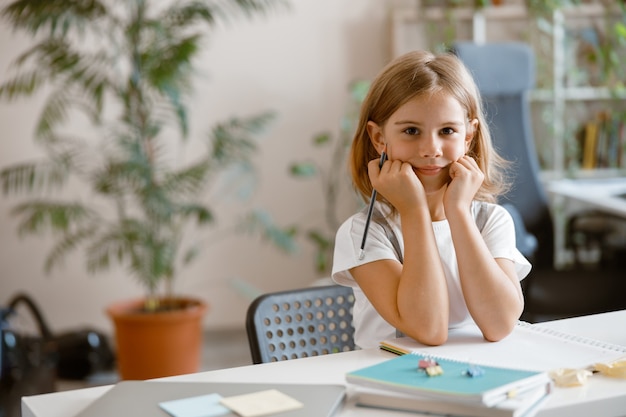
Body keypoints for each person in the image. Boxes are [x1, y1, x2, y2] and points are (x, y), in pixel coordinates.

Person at [331, 50, 531, 349]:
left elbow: (500, 324)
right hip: (391, 381)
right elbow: (428, 330)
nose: (430, 149)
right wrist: (413, 211)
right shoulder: (363, 232)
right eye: (411, 131)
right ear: (379, 138)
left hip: (473, 375)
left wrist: (459, 212)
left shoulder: (490, 220)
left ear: (469, 136)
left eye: (447, 130)